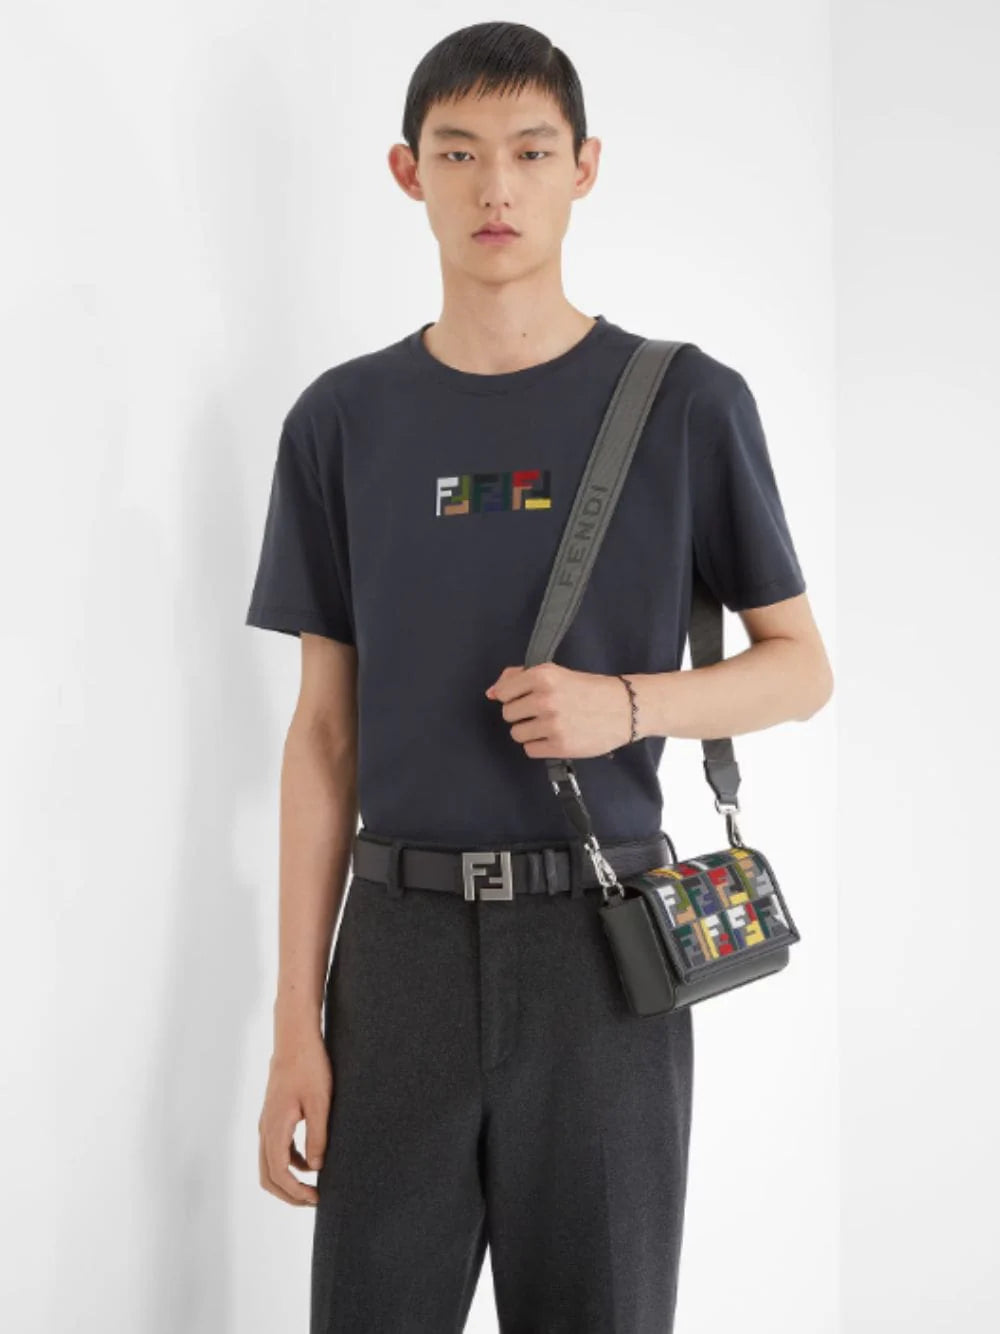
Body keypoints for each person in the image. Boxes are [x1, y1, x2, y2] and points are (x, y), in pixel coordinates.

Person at [244, 19, 834, 1334]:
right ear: (409, 172)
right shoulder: (341, 421)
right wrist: (295, 1022)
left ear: (585, 167)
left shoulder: (688, 403)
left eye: (529, 150)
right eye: (459, 153)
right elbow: (324, 737)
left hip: (602, 951)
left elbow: (800, 669)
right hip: (395, 952)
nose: (495, 187)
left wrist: (625, 705)